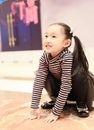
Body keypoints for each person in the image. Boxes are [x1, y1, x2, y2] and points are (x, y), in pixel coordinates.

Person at [29, 23, 94, 123]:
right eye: (46, 36)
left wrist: (56, 112)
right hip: (62, 87)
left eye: (53, 36)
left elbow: (66, 85)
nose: (47, 39)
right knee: (40, 74)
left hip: (78, 88)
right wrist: (34, 107)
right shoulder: (45, 57)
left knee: (81, 73)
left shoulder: (66, 57)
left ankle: (81, 103)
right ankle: (56, 100)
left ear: (66, 43)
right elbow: (39, 81)